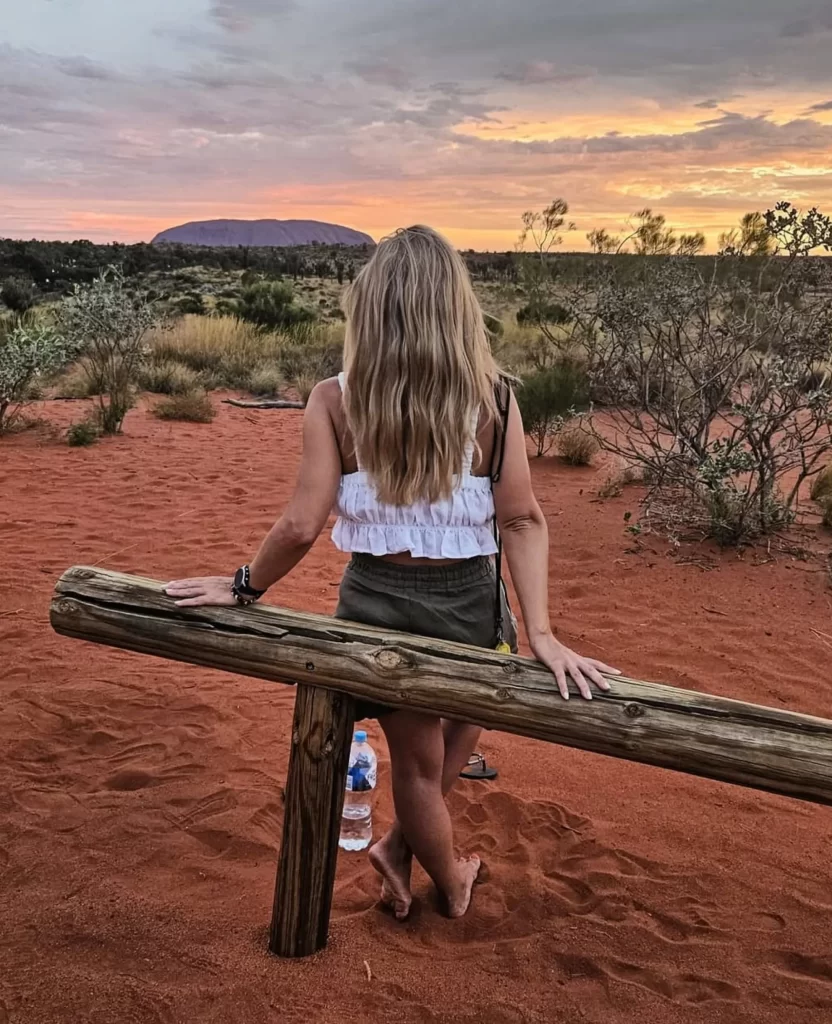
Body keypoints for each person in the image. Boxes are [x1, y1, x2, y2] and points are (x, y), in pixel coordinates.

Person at [164, 225, 619, 921]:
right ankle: (453, 880)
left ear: (370, 307)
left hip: (375, 602)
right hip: (469, 606)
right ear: (456, 307)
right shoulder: (494, 397)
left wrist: (243, 584)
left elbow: (298, 526)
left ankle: (393, 851)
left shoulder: (334, 399)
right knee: (431, 760)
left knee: (428, 757)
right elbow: (522, 519)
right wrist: (543, 634)